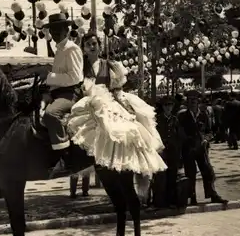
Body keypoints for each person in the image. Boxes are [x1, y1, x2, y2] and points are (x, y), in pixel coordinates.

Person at [66, 32, 167, 178]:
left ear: (100, 46)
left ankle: (124, 163)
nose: (92, 47)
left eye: (94, 44)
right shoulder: (80, 67)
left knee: (126, 130)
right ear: (84, 49)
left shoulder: (109, 65)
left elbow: (116, 89)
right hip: (87, 104)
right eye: (88, 45)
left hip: (108, 103)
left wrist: (124, 104)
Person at [41, 13, 85, 175]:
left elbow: (75, 77)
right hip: (58, 93)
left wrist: (49, 77)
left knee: (51, 115)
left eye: (58, 30)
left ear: (67, 30)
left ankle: (65, 158)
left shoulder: (71, 49)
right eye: (52, 30)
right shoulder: (59, 50)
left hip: (70, 93)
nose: (54, 34)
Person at [177, 90, 227, 205]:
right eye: (190, 100)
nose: (193, 102)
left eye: (195, 100)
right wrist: (186, 142)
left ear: (198, 102)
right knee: (191, 173)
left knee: (208, 171)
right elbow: (179, 132)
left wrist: (206, 139)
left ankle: (212, 194)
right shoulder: (182, 115)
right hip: (188, 149)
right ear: (187, 102)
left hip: (201, 148)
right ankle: (192, 197)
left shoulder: (204, 115)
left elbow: (210, 131)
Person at [153, 96, 183, 208]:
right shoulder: (157, 120)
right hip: (161, 152)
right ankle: (159, 202)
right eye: (166, 105)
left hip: (173, 152)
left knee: (172, 177)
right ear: (162, 107)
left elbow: (179, 136)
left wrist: (179, 153)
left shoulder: (175, 119)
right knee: (160, 177)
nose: (168, 108)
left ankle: (170, 201)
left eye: (170, 105)